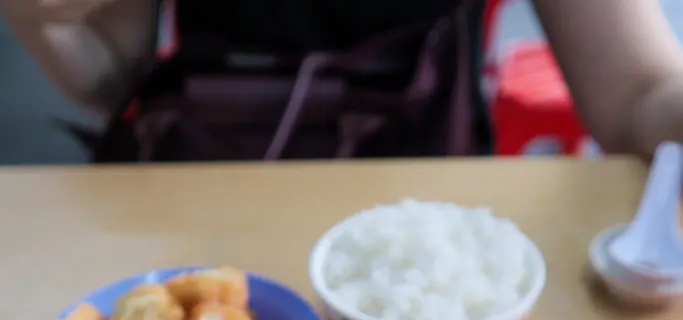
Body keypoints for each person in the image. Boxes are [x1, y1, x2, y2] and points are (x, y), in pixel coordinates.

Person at [3, 0, 683, 158]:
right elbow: (109, 79)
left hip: (427, 195)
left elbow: (635, 97)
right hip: (197, 171)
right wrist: (42, 17)